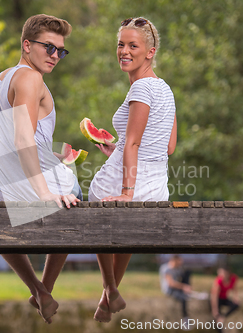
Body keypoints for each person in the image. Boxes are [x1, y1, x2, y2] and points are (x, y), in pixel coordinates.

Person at [0, 14, 81, 324]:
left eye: (60, 51)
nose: (55, 56)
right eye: (49, 47)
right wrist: (45, 191)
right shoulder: (31, 78)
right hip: (26, 189)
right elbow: (23, 137)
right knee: (74, 195)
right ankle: (45, 287)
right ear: (27, 45)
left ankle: (38, 290)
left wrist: (47, 154)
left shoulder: (3, 78)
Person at [88, 17, 177, 322]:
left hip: (129, 188)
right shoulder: (165, 90)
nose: (124, 51)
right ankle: (107, 297)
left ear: (150, 52)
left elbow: (135, 144)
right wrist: (117, 149)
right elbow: (168, 147)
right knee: (123, 232)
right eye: (121, 44)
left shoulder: (141, 89)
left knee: (99, 204)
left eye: (133, 46)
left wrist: (127, 193)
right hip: (157, 190)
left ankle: (110, 288)